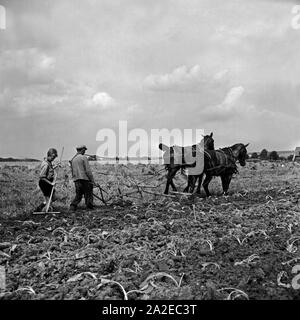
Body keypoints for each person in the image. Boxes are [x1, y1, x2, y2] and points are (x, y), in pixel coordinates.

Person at [69, 145, 95, 211]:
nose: (85, 151)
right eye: (85, 150)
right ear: (82, 150)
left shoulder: (73, 159)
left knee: (78, 195)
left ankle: (72, 206)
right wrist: (92, 180)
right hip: (84, 179)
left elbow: (72, 171)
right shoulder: (84, 158)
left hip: (76, 180)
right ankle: (89, 207)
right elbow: (88, 171)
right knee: (88, 193)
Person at [35, 148, 59, 212]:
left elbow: (49, 171)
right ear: (49, 155)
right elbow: (42, 177)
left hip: (48, 182)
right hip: (44, 183)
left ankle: (41, 207)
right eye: (53, 157)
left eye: (54, 158)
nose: (53, 159)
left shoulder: (49, 162)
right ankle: (44, 211)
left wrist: (55, 167)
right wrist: (51, 183)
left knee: (53, 198)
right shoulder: (45, 164)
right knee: (49, 200)